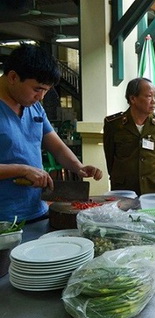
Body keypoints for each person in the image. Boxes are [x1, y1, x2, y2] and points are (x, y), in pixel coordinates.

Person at [0, 44, 102, 222]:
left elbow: (58, 148)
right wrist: (22, 170)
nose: (41, 97)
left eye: (46, 91)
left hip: (37, 211)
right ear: (13, 77)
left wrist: (78, 167)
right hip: (4, 220)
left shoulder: (35, 108)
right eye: (37, 89)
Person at [103, 77, 155, 196]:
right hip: (124, 188)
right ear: (133, 98)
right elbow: (110, 158)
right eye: (149, 96)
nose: (154, 101)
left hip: (153, 187)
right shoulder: (114, 124)